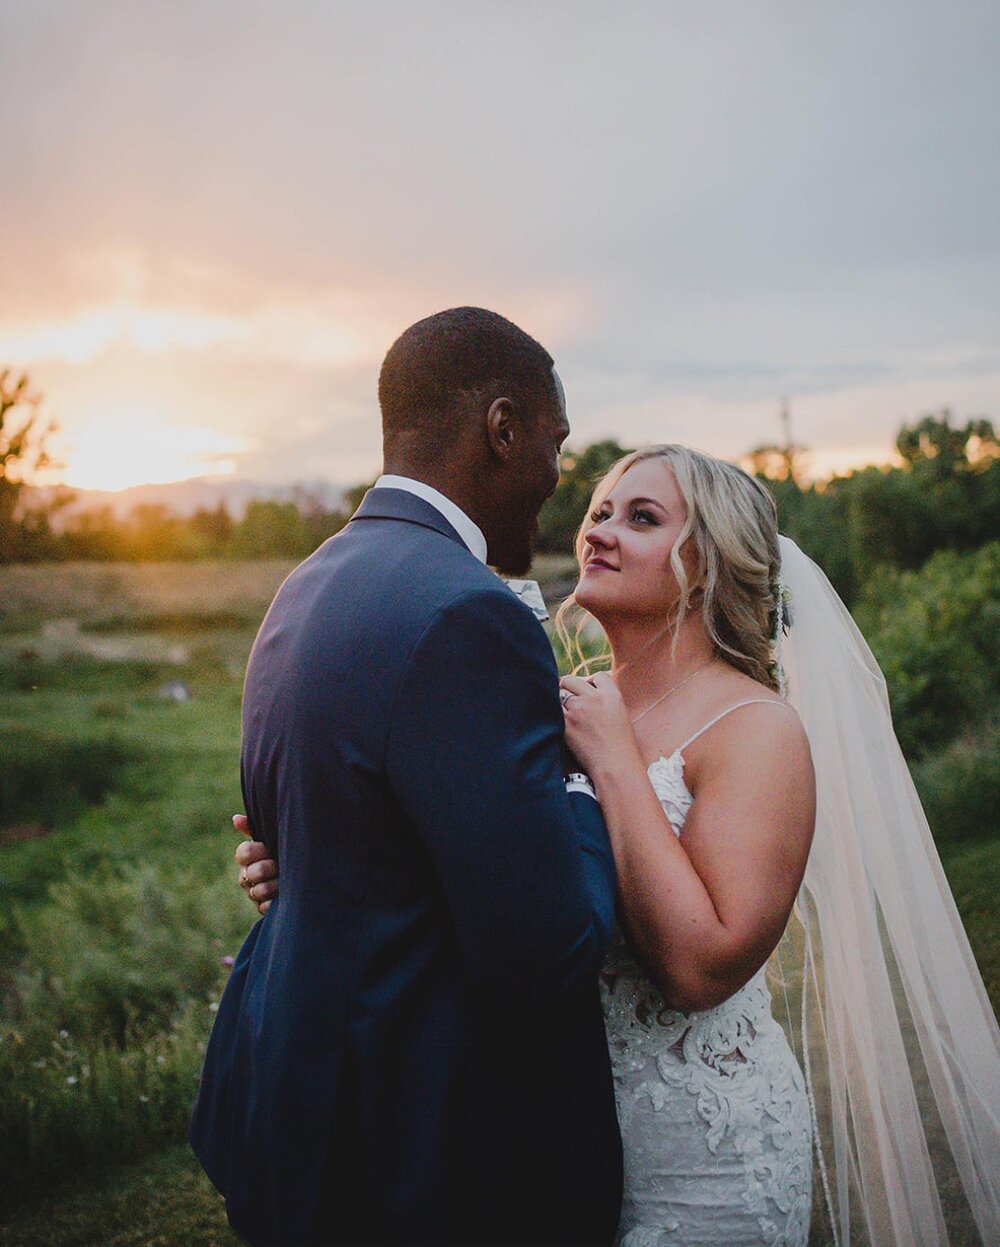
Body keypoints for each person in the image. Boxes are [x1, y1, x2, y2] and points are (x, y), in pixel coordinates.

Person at [241, 443, 1000, 1246]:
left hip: (704, 1159)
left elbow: (700, 965)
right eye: (600, 511)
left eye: (641, 518)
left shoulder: (757, 729)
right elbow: (487, 890)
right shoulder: (553, 706)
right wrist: (307, 868)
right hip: (548, 1154)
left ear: (704, 563)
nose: (599, 531)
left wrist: (612, 759)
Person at [190, 307, 623, 1247]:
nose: (558, 476)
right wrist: (587, 789)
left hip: (299, 1097)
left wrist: (291, 867)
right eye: (553, 444)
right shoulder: (467, 613)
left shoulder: (309, 580)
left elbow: (347, 828)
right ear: (502, 430)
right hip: (418, 1150)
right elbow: (541, 951)